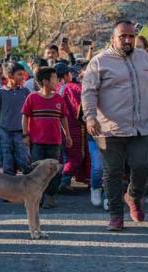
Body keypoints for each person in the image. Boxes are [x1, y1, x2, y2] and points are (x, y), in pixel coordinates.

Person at [82, 20, 148, 231]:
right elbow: (89, 91)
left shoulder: (145, 58)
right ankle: (115, 216)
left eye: (131, 36)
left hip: (141, 127)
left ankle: (132, 196)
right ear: (113, 38)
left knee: (142, 167)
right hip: (110, 129)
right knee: (112, 172)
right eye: (123, 36)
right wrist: (90, 117)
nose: (128, 40)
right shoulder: (99, 61)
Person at [21, 67, 73, 208]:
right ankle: (37, 197)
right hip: (37, 142)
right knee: (37, 171)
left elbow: (63, 119)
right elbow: (25, 117)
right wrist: (25, 135)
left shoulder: (59, 99)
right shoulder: (32, 97)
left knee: (54, 171)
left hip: (55, 142)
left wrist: (67, 135)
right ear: (45, 81)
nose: (57, 81)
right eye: (55, 78)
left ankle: (50, 196)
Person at [54, 62, 90, 193]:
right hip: (74, 127)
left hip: (57, 127)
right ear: (66, 75)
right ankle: (64, 181)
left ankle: (60, 181)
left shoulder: (55, 88)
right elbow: (80, 108)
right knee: (76, 156)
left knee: (62, 156)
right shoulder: (73, 88)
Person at [0, 61, 31, 175]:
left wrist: (27, 133)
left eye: (23, 74)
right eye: (19, 74)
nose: (22, 77)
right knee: (7, 164)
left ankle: (25, 190)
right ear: (10, 76)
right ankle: (9, 191)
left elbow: (29, 114)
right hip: (4, 133)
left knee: (25, 162)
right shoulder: (0, 93)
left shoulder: (25, 92)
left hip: (21, 133)